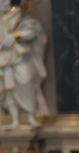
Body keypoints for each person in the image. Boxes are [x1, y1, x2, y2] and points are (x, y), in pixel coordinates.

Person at [0, 0, 47, 129]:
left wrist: (15, 36)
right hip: (3, 61)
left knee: (26, 82)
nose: (2, 4)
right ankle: (14, 120)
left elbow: (31, 32)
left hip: (19, 58)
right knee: (8, 90)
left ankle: (30, 116)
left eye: (4, 1)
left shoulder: (20, 18)